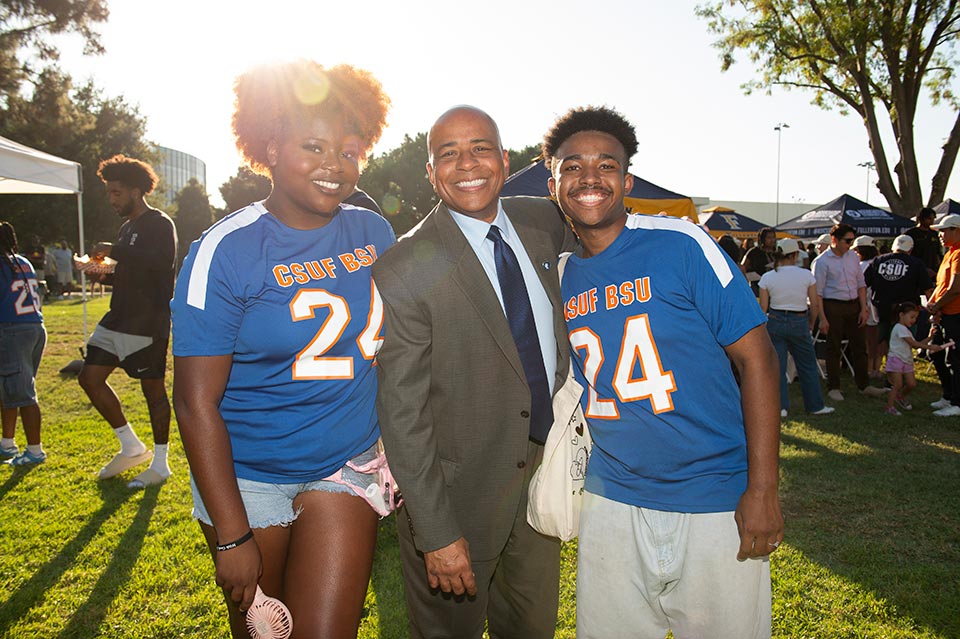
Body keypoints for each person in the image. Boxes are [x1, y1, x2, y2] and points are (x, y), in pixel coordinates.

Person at [171, 60, 394, 638]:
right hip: (249, 474)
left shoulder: (374, 233)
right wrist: (231, 534)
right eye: (313, 147)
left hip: (344, 461)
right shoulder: (225, 249)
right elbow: (195, 404)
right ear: (269, 147)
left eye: (349, 152)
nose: (334, 167)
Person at [543, 106, 782, 639]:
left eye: (606, 165)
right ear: (553, 181)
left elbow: (758, 357)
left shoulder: (681, 242)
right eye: (572, 166)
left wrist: (763, 487)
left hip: (713, 494)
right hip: (612, 496)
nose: (589, 177)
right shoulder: (562, 274)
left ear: (627, 180)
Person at [373, 105, 575, 639]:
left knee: (533, 629)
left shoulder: (546, 222)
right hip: (457, 495)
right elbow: (403, 411)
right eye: (449, 153)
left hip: (540, 476)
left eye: (481, 148)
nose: (468, 163)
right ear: (431, 171)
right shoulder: (405, 264)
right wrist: (436, 532)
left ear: (505, 160)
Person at [77, 155, 178, 488]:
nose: (112, 200)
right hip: (117, 318)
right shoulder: (126, 228)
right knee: (89, 377)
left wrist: (115, 251)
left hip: (148, 322)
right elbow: (126, 274)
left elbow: (160, 265)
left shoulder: (159, 223)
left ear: (136, 191)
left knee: (153, 391)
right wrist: (101, 273)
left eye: (116, 193)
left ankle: (161, 463)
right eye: (109, 193)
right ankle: (132, 446)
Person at [759, 238, 834, 418]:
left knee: (778, 366)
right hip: (799, 319)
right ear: (794, 255)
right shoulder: (806, 275)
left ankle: (781, 407)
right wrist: (811, 321)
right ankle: (815, 405)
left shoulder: (768, 277)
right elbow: (814, 304)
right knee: (807, 365)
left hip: (775, 319)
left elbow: (763, 308)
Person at [811, 224, 887, 401]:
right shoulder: (822, 262)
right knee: (833, 347)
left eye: (852, 241)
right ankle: (834, 387)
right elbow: (818, 293)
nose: (850, 244)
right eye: (847, 241)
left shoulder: (853, 257)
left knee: (860, 347)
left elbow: (861, 284)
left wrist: (863, 308)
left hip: (853, 305)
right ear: (834, 240)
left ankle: (864, 385)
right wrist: (822, 318)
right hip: (833, 306)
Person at [0, 221, 47, 466]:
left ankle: (35, 451)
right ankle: (7, 442)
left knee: (23, 393)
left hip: (12, 331)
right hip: (34, 328)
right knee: (10, 389)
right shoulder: (22, 261)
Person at [863, 234, 934, 370]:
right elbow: (928, 289)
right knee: (903, 344)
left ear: (893, 247)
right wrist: (933, 308)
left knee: (881, 341)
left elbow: (863, 283)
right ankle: (897, 372)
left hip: (881, 309)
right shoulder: (916, 263)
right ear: (910, 249)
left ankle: (875, 369)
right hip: (907, 311)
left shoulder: (878, 261)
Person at [883, 302, 947, 416]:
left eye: (915, 318)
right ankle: (889, 406)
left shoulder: (906, 330)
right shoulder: (899, 328)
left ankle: (900, 397)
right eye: (911, 317)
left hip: (906, 360)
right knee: (897, 385)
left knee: (911, 384)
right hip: (896, 359)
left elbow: (916, 345)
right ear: (901, 315)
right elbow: (914, 343)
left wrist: (930, 337)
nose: (913, 320)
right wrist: (930, 346)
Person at [925, 214, 960, 416]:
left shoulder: (958, 253)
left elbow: (955, 288)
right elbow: (943, 285)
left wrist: (936, 305)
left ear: (957, 230)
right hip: (944, 313)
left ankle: (957, 402)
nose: (940, 234)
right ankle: (948, 395)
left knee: (954, 358)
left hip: (956, 314)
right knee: (935, 352)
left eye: (944, 230)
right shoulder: (950, 253)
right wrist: (935, 306)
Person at [852, 236, 882, 379]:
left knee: (868, 339)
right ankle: (877, 367)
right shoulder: (880, 263)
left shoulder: (862, 266)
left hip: (866, 305)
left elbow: (860, 288)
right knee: (878, 339)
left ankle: (869, 369)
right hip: (879, 305)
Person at [906, 207, 943, 279]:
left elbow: (938, 253)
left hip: (933, 272)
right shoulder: (911, 234)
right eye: (929, 219)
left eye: (933, 219)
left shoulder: (934, 234)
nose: (932, 222)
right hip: (916, 272)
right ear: (921, 219)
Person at [742, 227, 776, 295]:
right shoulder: (753, 252)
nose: (772, 240)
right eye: (769, 238)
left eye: (773, 237)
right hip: (757, 286)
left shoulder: (777, 252)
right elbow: (743, 266)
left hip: (774, 286)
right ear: (763, 239)